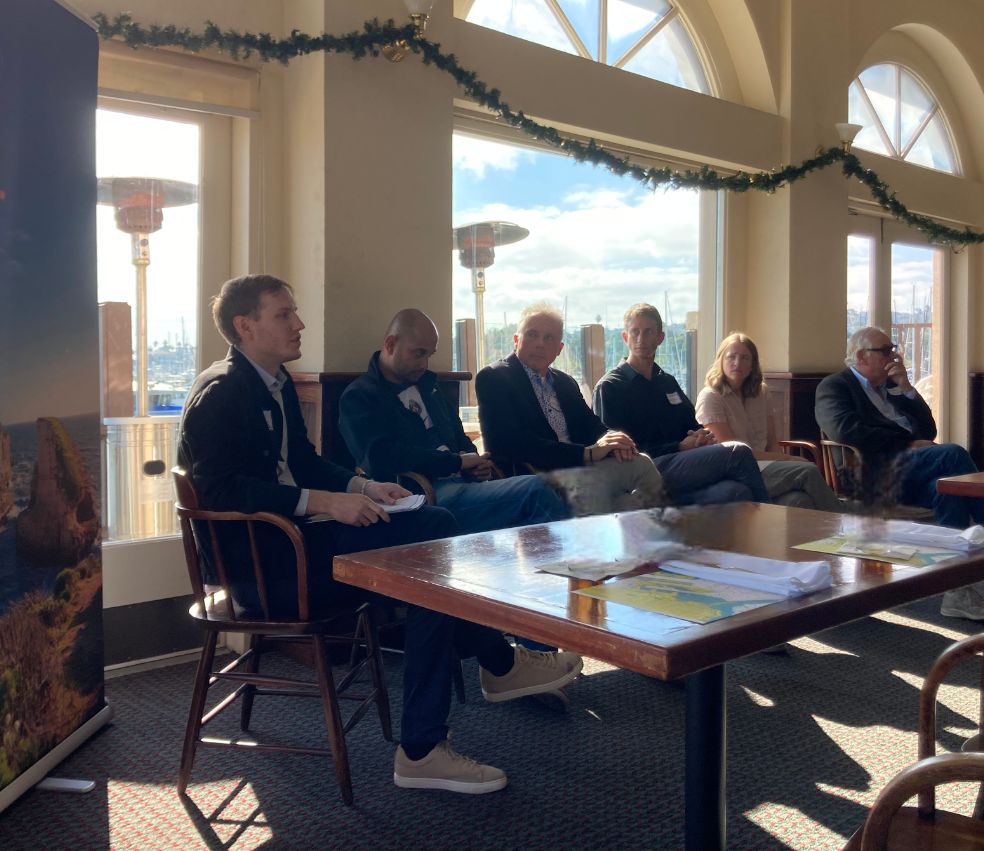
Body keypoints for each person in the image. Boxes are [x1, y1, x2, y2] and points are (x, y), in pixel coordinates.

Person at [179, 275, 582, 794]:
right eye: (284, 314)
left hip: (295, 543)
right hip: (269, 569)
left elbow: (302, 461)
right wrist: (327, 502)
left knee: (433, 538)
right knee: (433, 548)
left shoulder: (269, 383)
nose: (299, 323)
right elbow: (220, 491)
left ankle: (445, 724)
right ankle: (471, 693)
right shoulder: (221, 393)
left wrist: (364, 486)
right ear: (245, 325)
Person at [815, 326, 984, 621]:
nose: (894, 355)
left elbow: (928, 430)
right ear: (862, 356)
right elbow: (846, 431)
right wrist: (907, 443)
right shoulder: (835, 386)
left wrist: (908, 389)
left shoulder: (891, 388)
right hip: (870, 474)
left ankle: (956, 593)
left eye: (893, 349)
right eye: (885, 350)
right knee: (952, 454)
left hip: (908, 473)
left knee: (950, 491)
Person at [339, 308, 569, 532]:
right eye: (418, 353)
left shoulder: (428, 387)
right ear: (390, 345)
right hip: (423, 493)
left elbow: (459, 438)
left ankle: (550, 566)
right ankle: (574, 564)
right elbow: (380, 457)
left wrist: (476, 465)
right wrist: (456, 463)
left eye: (429, 355)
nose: (425, 364)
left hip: (462, 486)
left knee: (534, 505)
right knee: (536, 489)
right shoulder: (361, 396)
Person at [475, 302, 665, 515]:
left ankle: (648, 540)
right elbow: (508, 443)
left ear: (559, 349)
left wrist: (614, 439)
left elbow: (591, 426)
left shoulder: (564, 382)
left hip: (580, 471)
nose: (539, 343)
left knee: (635, 483)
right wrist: (586, 453)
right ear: (516, 339)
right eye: (532, 335)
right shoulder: (495, 377)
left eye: (549, 338)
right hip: (538, 476)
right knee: (630, 492)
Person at [593, 305, 774, 507]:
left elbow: (692, 424)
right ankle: (774, 531)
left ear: (660, 338)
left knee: (736, 491)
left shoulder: (667, 382)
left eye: (648, 331)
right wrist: (678, 446)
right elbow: (616, 452)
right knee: (738, 452)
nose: (641, 339)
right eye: (635, 332)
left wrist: (701, 436)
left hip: (681, 467)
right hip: (643, 470)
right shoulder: (610, 387)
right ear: (626, 338)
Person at [695, 331, 844, 512]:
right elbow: (733, 454)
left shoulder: (761, 393)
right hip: (735, 471)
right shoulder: (710, 396)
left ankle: (821, 538)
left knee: (798, 500)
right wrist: (787, 459)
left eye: (744, 358)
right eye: (731, 357)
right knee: (807, 471)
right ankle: (844, 526)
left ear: (752, 365)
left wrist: (784, 461)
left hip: (766, 466)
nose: (737, 363)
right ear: (721, 361)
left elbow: (772, 441)